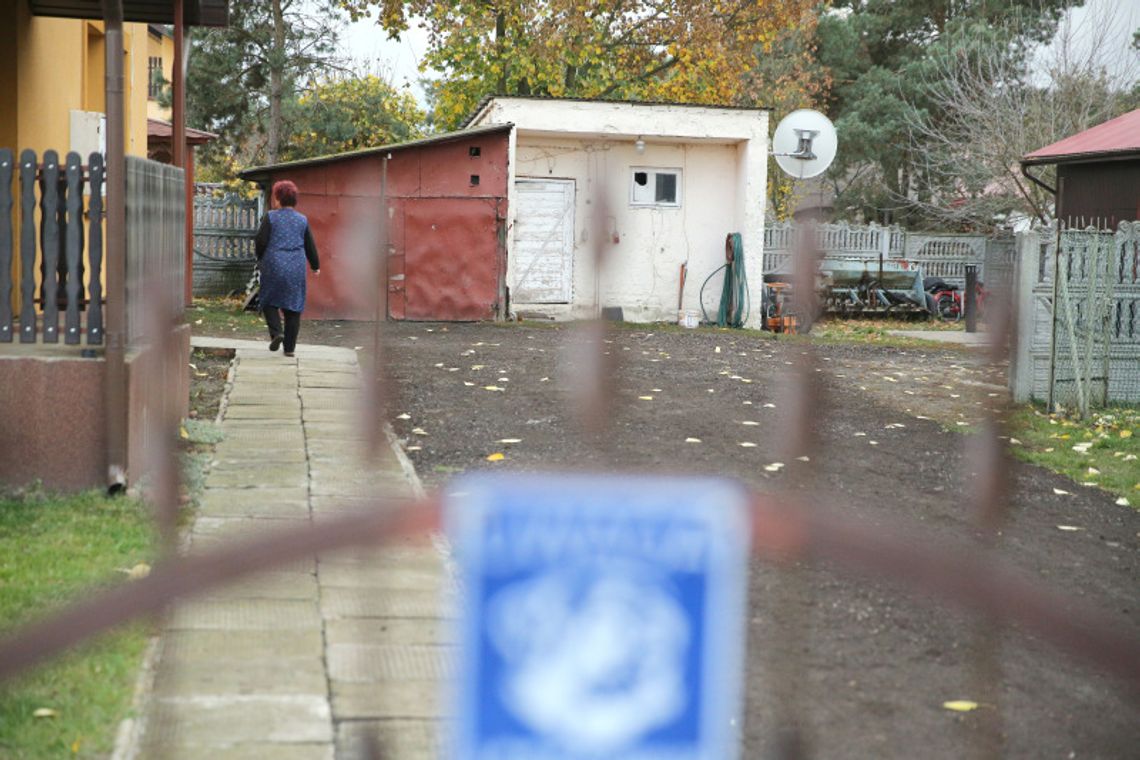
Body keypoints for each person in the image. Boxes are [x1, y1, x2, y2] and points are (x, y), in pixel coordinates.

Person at [254, 180, 320, 357]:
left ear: (277, 199)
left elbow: (260, 241)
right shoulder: (302, 220)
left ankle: (277, 333)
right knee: (294, 307)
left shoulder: (271, 217)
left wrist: (260, 258)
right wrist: (315, 266)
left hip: (273, 264)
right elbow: (310, 245)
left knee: (268, 301)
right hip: (296, 266)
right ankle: (289, 349)